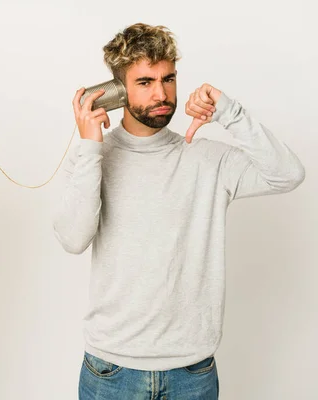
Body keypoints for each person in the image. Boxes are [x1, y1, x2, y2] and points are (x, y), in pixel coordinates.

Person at [53, 23, 305, 399]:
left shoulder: (205, 158)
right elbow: (72, 239)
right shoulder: (91, 157)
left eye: (168, 79)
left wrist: (230, 112)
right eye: (145, 82)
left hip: (193, 371)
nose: (161, 94)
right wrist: (90, 147)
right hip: (112, 371)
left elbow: (288, 175)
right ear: (117, 90)